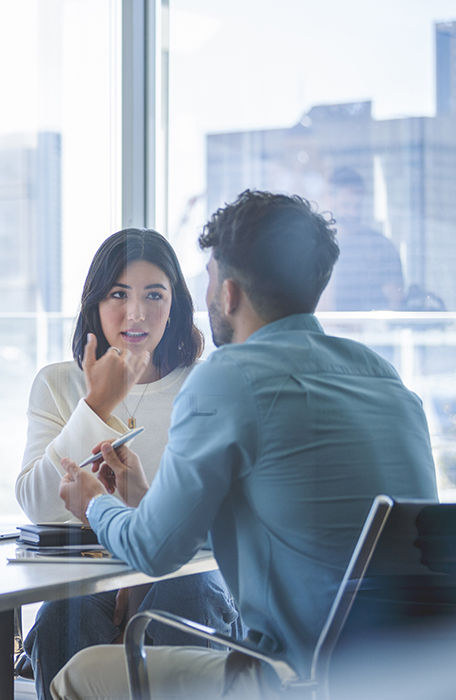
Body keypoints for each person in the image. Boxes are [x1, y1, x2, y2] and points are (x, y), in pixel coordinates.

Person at [52, 191, 438, 700]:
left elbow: (153, 552)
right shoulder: (384, 378)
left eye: (209, 276)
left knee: (78, 673)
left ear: (229, 293)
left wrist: (94, 503)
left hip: (295, 679)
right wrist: (146, 502)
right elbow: (306, 534)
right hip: (416, 673)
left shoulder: (229, 378)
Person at [15, 228, 243, 700]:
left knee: (187, 594)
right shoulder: (58, 383)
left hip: (189, 573)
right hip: (89, 576)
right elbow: (41, 506)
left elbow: (222, 519)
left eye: (154, 295)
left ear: (175, 305)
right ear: (95, 304)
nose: (136, 313)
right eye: (118, 294)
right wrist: (96, 406)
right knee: (65, 612)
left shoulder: (205, 385)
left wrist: (142, 576)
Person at [326, 166, 404, 311]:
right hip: (327, 330)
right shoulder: (317, 247)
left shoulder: (381, 246)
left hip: (373, 331)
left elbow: (395, 302)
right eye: (346, 205)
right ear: (331, 200)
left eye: (358, 205)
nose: (353, 212)